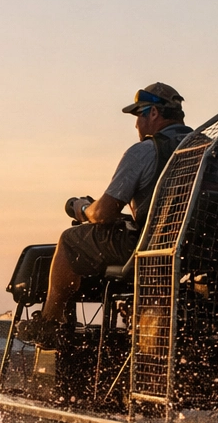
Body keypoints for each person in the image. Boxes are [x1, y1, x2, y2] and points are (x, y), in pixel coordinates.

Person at [16, 82, 192, 349]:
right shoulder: (210, 151)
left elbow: (105, 212)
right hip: (196, 253)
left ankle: (49, 324)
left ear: (154, 113)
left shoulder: (145, 150)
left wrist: (83, 209)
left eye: (139, 115)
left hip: (150, 249)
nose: (136, 125)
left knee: (70, 239)